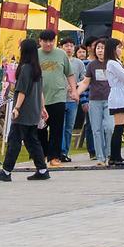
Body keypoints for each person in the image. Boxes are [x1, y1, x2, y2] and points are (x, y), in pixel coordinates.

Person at [0, 35, 52, 182]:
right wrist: (42, 107)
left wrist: (16, 108)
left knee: (15, 140)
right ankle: (42, 169)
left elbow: (22, 91)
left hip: (24, 110)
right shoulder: (37, 69)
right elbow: (40, 91)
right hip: (34, 109)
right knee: (32, 140)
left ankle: (6, 171)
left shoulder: (25, 68)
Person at [36, 32, 72, 165]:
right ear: (40, 41)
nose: (48, 44)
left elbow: (69, 73)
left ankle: (54, 156)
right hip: (39, 97)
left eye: (51, 41)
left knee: (57, 128)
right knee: (40, 128)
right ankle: (43, 154)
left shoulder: (61, 54)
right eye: (45, 41)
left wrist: (74, 90)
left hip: (58, 96)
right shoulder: (35, 55)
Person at [101, 39, 124, 166]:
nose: (121, 50)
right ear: (113, 49)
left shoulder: (116, 62)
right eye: (119, 47)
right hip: (118, 97)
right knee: (118, 128)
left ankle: (116, 156)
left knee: (119, 128)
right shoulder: (112, 63)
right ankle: (115, 157)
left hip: (121, 95)